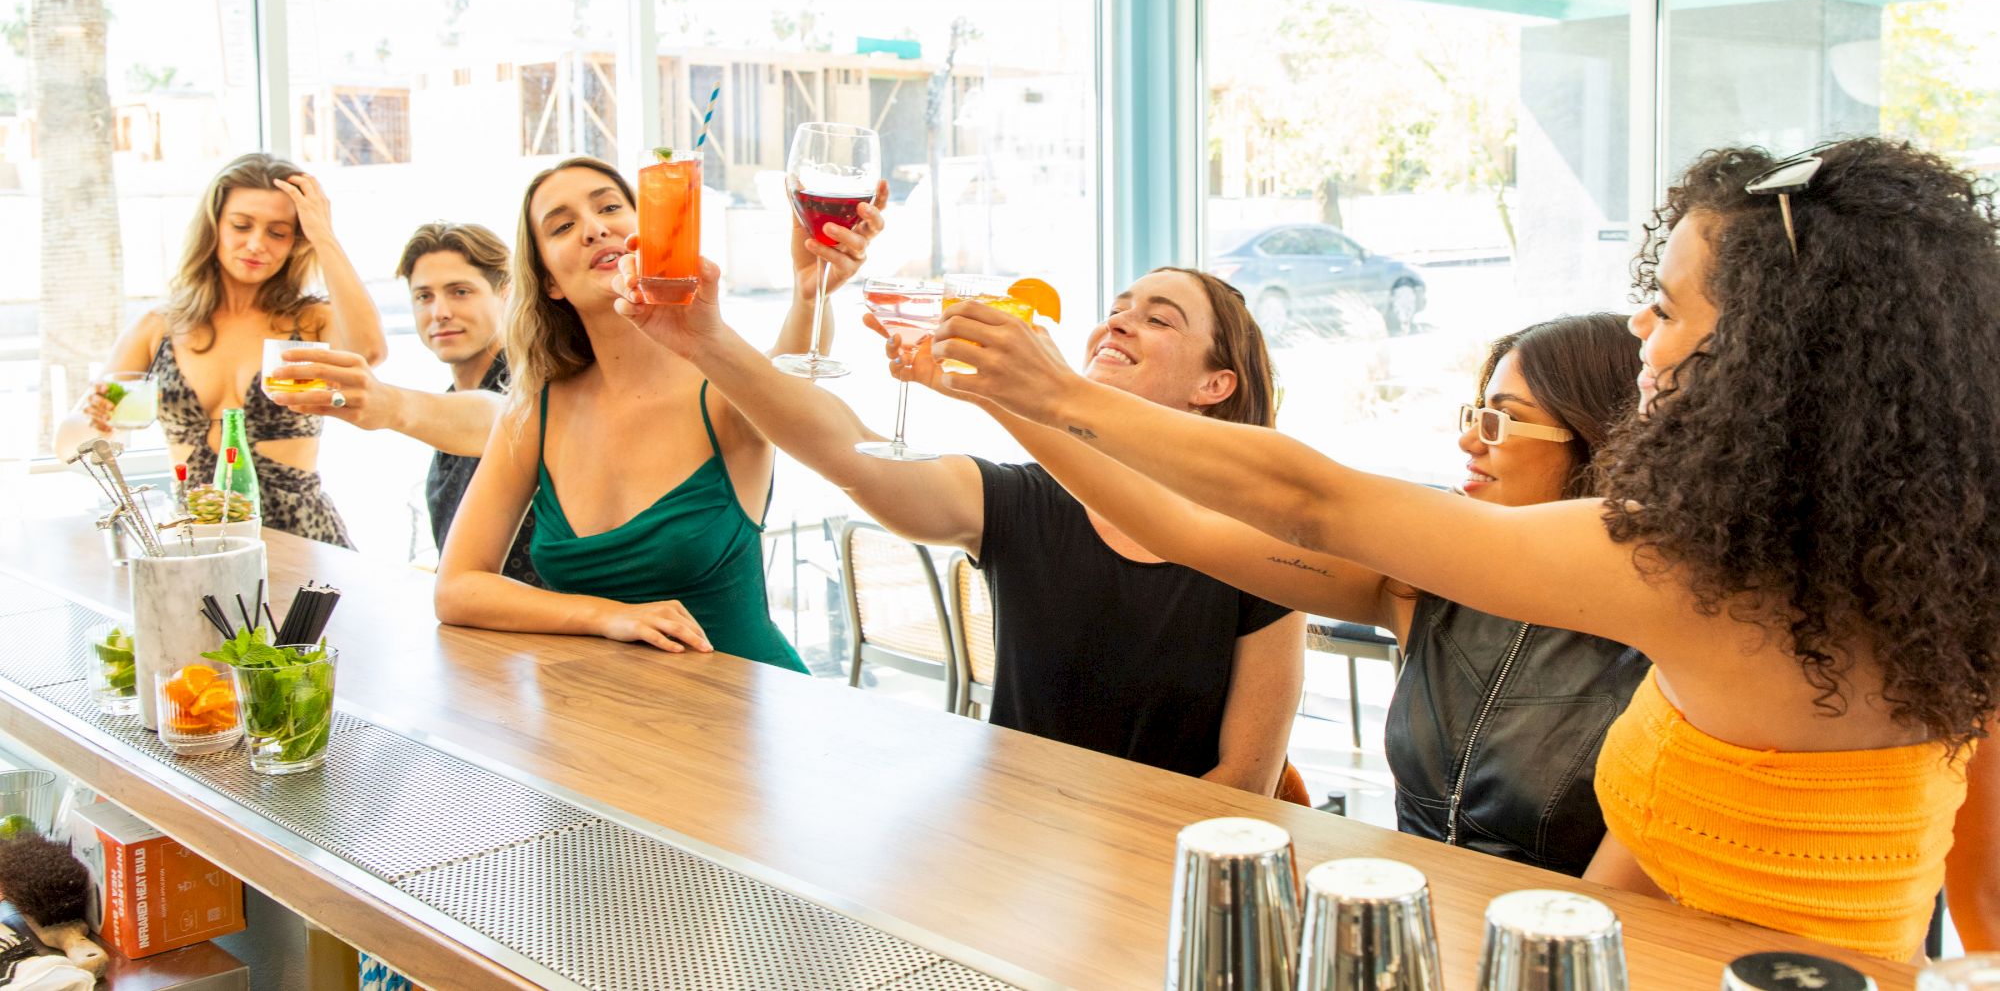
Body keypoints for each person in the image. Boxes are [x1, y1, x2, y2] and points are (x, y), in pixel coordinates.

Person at [931, 138, 2000, 960]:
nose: (1637, 326)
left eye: (1664, 306)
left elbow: (1309, 498)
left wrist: (1058, 393)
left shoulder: (1685, 573)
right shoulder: (1943, 581)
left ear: (1768, 355)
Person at [905, 312, 1647, 874]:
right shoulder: (1423, 588)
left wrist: (1059, 391)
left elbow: (1309, 496)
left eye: (1502, 418)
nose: (1469, 441)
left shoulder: (1665, 632)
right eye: (1471, 414)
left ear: (1597, 436)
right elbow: (1184, 525)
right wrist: (1012, 400)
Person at [613, 256, 1305, 793]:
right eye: (1117, 308)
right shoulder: (1026, 501)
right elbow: (846, 450)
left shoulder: (1261, 552)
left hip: (1168, 884)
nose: (1117, 322)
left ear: (1216, 385)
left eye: (1159, 318)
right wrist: (707, 341)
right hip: (1019, 857)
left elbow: (1244, 785)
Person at [432, 156, 882, 672]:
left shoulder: (722, 390)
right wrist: (606, 616)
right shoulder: (535, 411)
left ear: (651, 233)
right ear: (550, 281)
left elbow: (791, 384)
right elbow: (457, 588)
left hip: (744, 721)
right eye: (562, 225)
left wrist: (810, 295)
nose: (594, 228)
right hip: (607, 722)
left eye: (608, 208)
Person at [55, 153, 386, 547]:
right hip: (198, 541)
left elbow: (368, 352)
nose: (256, 244)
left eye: (278, 232)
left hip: (303, 537)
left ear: (297, 242)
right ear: (214, 228)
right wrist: (97, 423)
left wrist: (325, 236)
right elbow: (67, 444)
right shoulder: (160, 327)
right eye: (241, 225)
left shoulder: (310, 320)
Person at [261, 222, 538, 581]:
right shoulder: (450, 400)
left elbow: (503, 419)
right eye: (424, 296)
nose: (439, 312)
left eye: (460, 291)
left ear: (506, 292)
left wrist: (387, 403)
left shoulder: (534, 385)